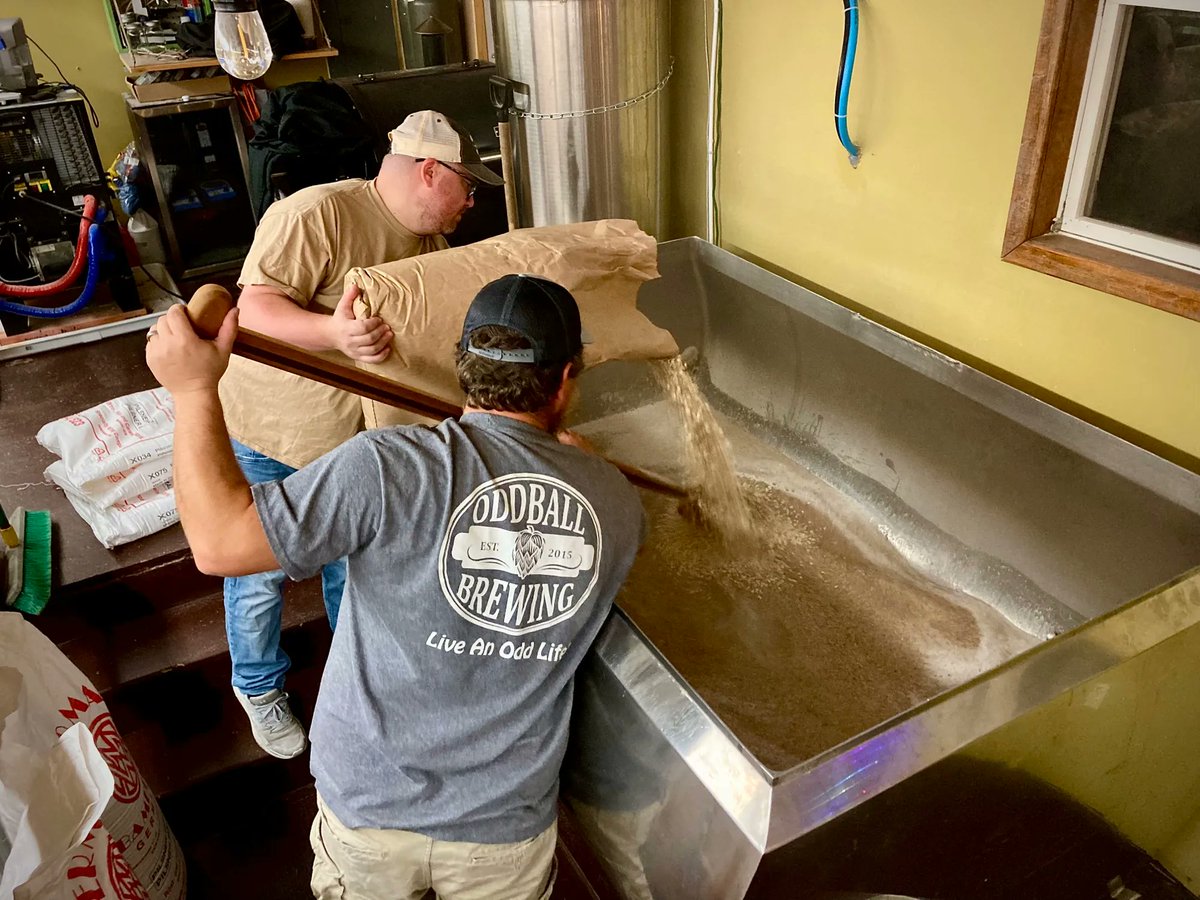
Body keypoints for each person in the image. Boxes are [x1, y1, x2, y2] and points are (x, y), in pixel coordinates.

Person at [145, 273, 646, 899]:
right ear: (567, 377)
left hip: (369, 806)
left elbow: (220, 544)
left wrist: (194, 392)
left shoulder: (387, 465)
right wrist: (582, 463)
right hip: (504, 824)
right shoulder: (617, 506)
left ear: (463, 369)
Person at [218, 109, 503, 759]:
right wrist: (333, 335)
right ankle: (257, 685)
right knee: (261, 573)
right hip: (276, 430)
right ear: (431, 172)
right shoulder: (316, 215)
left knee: (356, 570)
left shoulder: (430, 250)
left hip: (360, 443)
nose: (471, 202)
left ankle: (354, 686)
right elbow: (254, 308)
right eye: (469, 186)